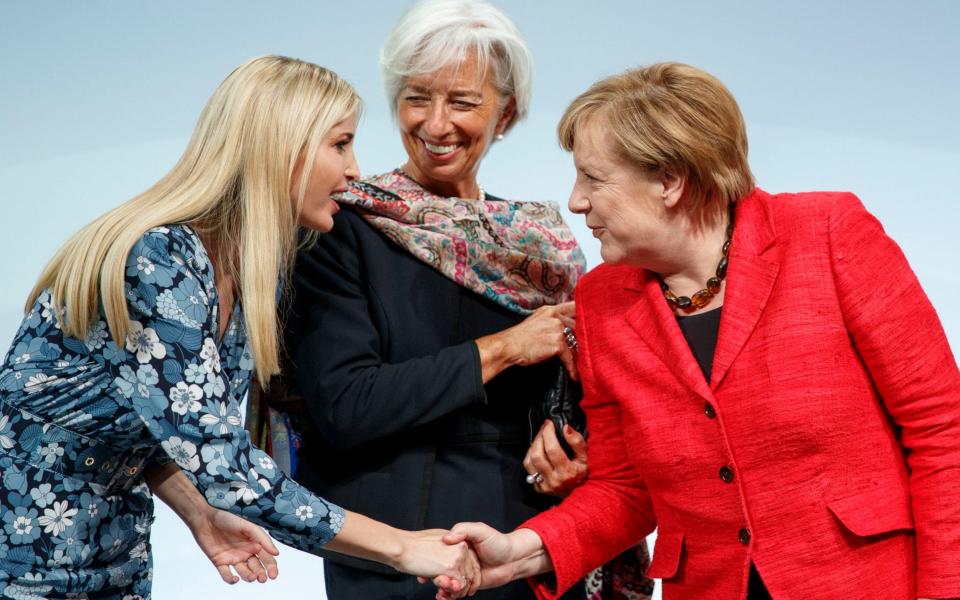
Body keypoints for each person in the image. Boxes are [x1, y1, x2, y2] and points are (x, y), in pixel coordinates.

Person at [436, 62, 960, 600]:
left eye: (593, 178)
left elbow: (944, 434)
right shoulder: (601, 302)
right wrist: (520, 551)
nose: (575, 201)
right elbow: (625, 490)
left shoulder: (827, 234)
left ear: (669, 180)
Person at [0, 55, 480, 599]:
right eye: (340, 143)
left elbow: (157, 425)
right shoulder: (156, 260)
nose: (354, 170)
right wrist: (401, 547)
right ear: (280, 148)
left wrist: (200, 513)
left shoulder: (250, 274)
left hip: (112, 553)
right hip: (20, 560)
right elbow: (224, 463)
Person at [249, 1, 587, 598]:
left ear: (506, 112)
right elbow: (347, 407)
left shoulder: (539, 244)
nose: (435, 125)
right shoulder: (340, 228)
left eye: (462, 101)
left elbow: (583, 388)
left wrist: (571, 443)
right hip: (400, 553)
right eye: (416, 98)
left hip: (527, 543)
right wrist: (506, 348)